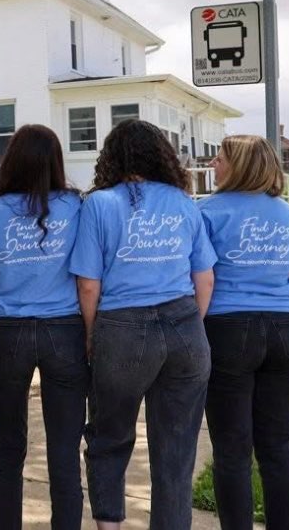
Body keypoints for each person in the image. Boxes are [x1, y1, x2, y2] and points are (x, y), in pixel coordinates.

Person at [68, 119, 216, 530]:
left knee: (108, 439)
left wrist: (92, 335)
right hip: (184, 323)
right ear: (161, 156)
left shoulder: (99, 204)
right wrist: (190, 325)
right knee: (176, 450)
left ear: (111, 158)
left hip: (122, 328)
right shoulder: (185, 202)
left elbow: (88, 285)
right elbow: (204, 279)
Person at [0, 124, 85, 530]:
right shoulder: (76, 207)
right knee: (65, 450)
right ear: (55, 162)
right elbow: (87, 279)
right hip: (65, 331)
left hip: (7, 331)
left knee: (9, 448)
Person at [197, 135, 289, 530]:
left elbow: (202, 278)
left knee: (231, 450)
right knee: (278, 448)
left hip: (228, 329)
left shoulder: (207, 213)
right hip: (284, 330)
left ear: (237, 165)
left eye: (220, 157)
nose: (214, 164)